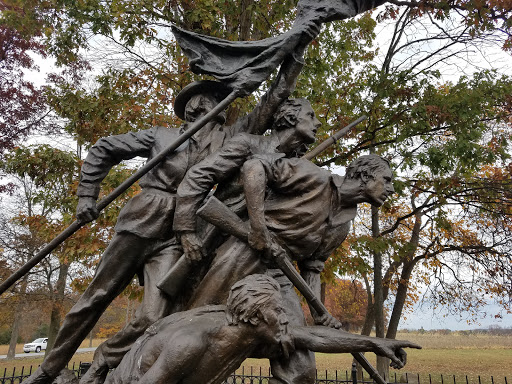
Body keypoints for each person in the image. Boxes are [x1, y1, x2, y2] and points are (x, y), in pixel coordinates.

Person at [24, 21, 320, 384]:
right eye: (198, 98)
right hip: (144, 216)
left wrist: (296, 51)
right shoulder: (159, 136)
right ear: (189, 107)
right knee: (96, 296)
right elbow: (104, 149)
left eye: (211, 98)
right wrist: (88, 195)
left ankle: (108, 364)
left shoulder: (232, 136)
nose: (204, 103)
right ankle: (45, 371)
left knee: (153, 317)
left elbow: (272, 100)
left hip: (181, 236)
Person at [174, 153, 394, 384]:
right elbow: (254, 165)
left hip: (281, 276)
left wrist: (318, 311)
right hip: (242, 255)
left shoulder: (343, 225)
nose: (391, 189)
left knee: (300, 366)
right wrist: (258, 228)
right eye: (387, 180)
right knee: (194, 338)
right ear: (364, 175)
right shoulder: (313, 177)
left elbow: (312, 268)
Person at [104, 274, 420, 384]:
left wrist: (374, 343)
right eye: (279, 312)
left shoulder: (253, 331)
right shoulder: (191, 344)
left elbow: (313, 335)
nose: (287, 320)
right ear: (256, 316)